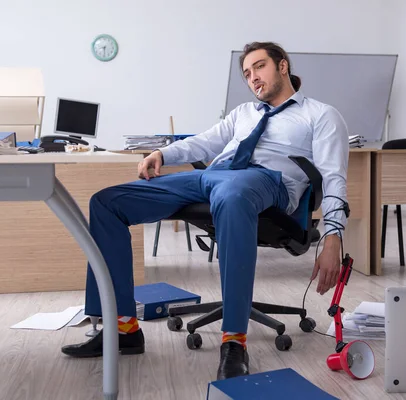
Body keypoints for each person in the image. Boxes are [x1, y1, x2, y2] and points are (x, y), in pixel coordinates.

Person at [61, 41, 349, 381]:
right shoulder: (244, 113)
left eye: (259, 67)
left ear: (282, 66)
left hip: (268, 183)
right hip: (213, 177)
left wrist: (333, 236)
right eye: (246, 73)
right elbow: (205, 141)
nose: (253, 78)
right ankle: (122, 329)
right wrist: (164, 155)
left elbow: (334, 178)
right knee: (107, 202)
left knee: (232, 192)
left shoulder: (320, 114)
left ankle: (234, 341)